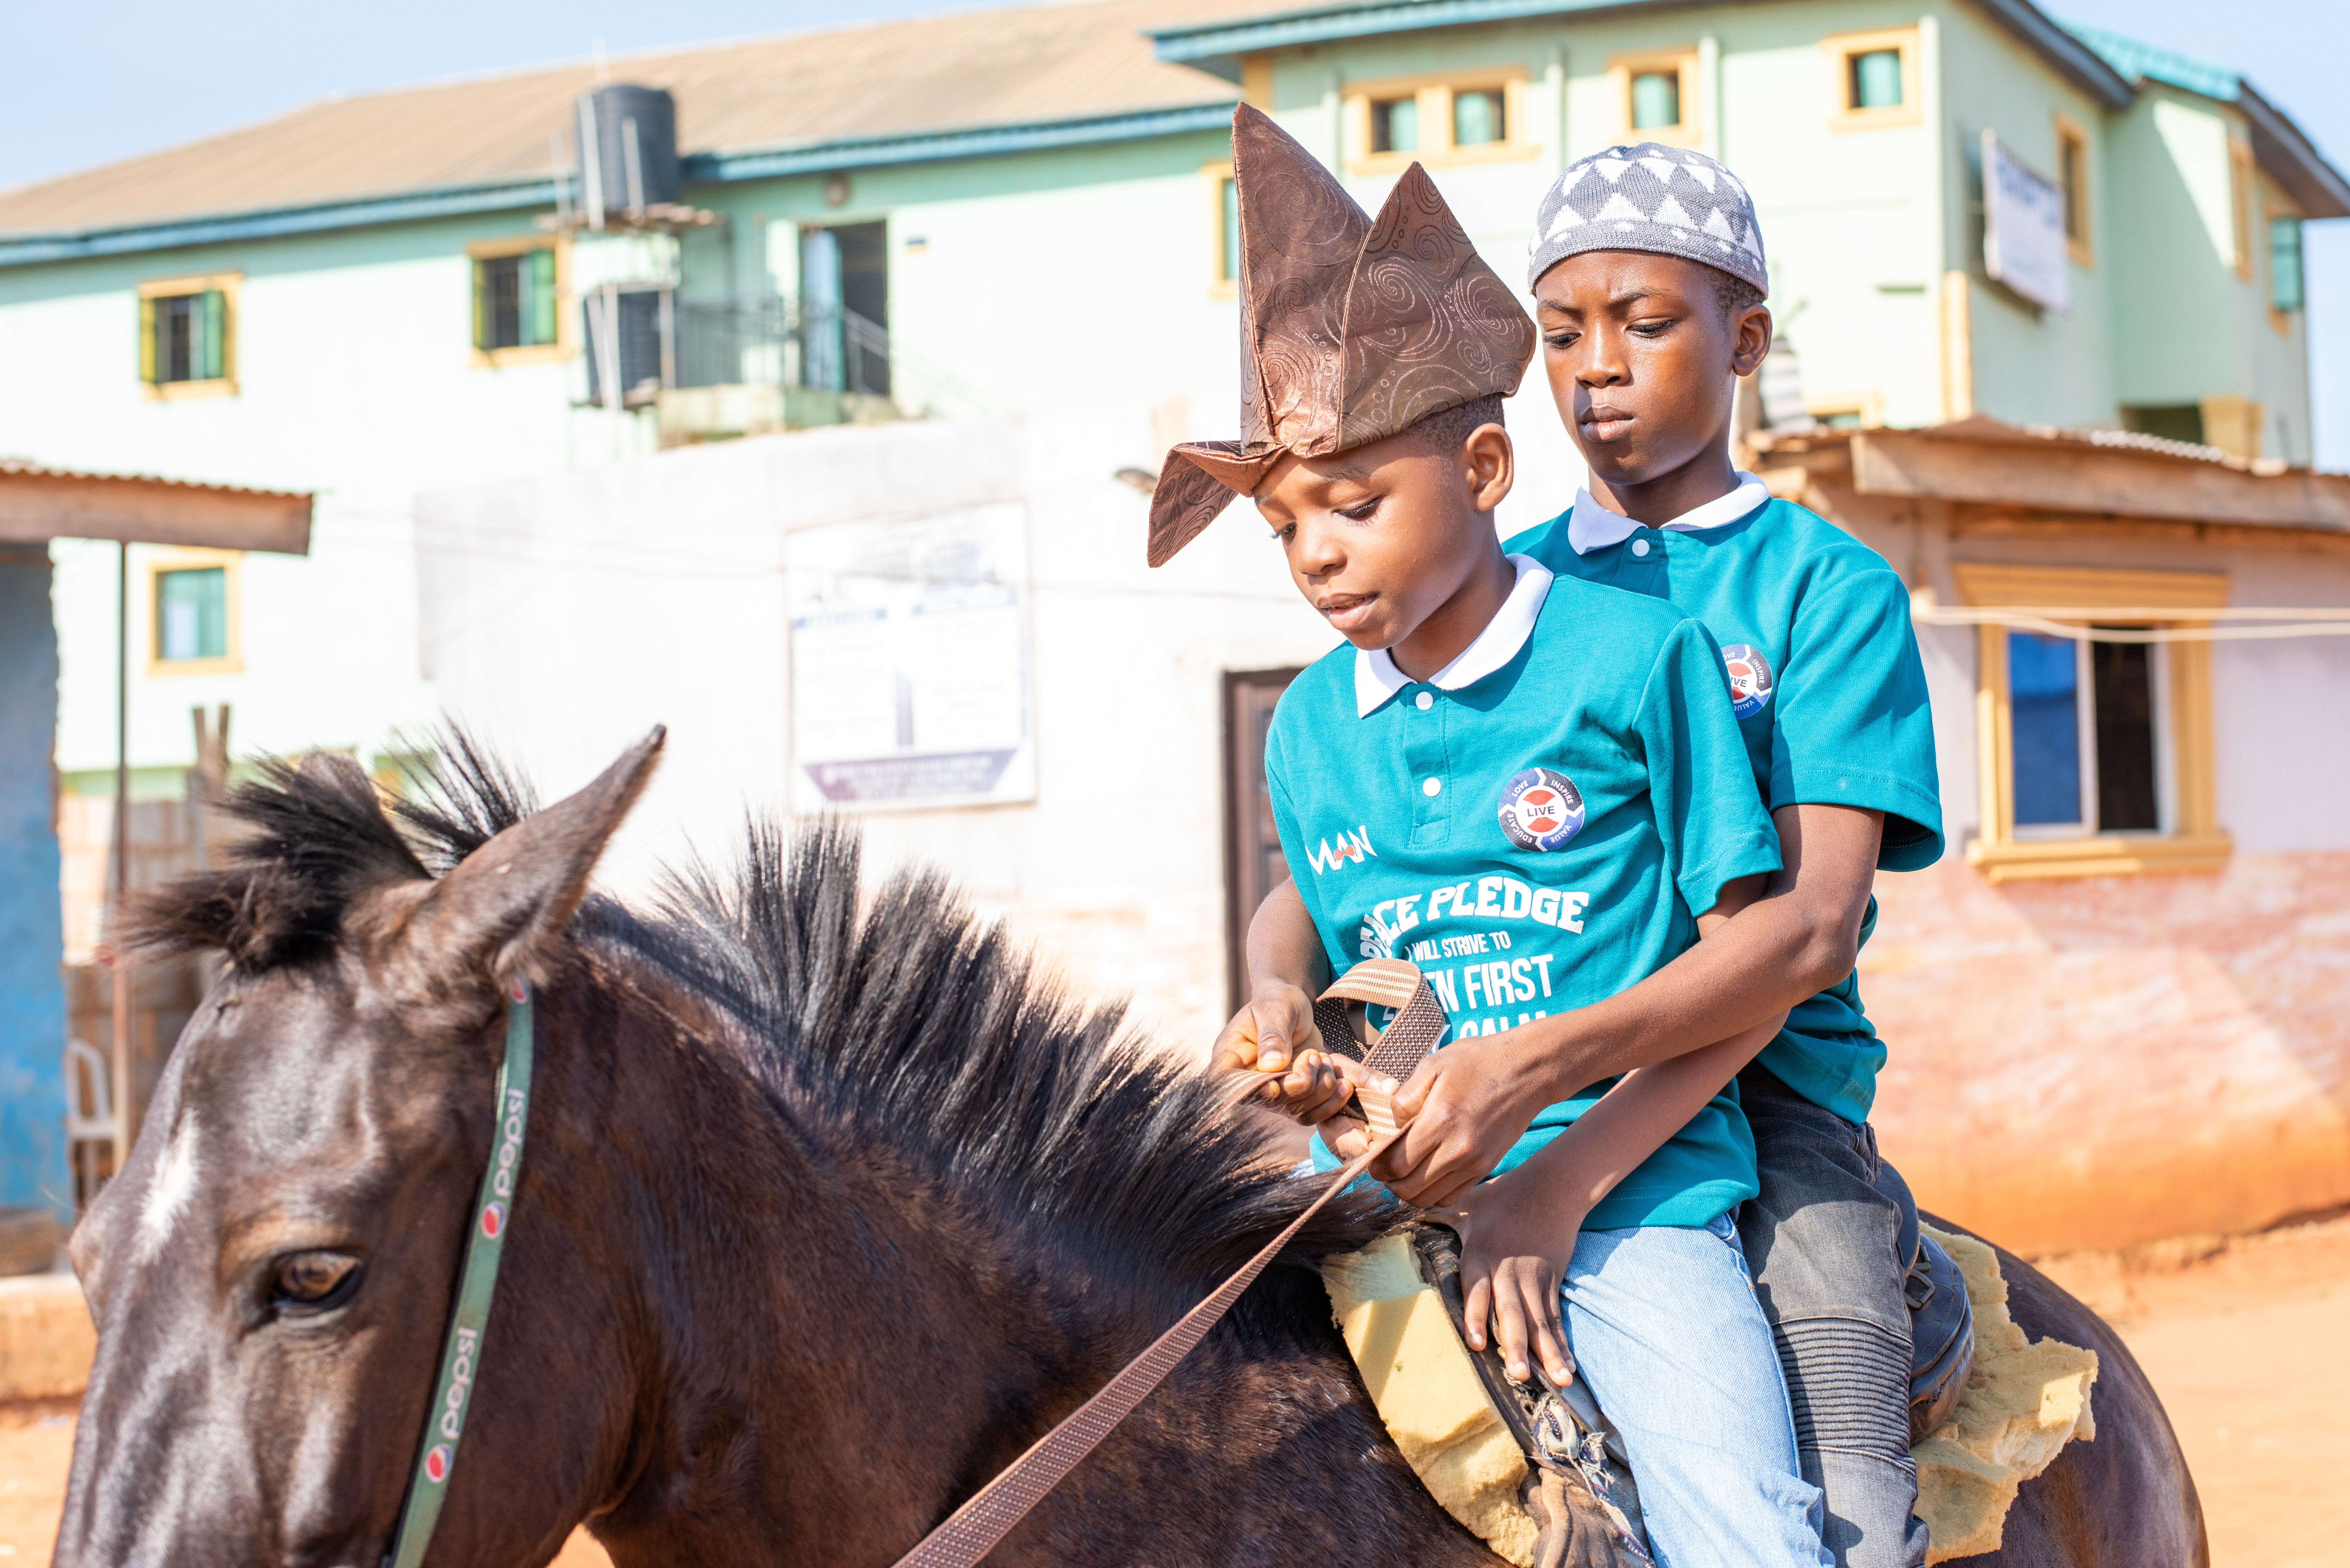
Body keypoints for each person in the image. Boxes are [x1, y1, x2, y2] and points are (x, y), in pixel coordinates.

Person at [1220, 142, 1944, 1568]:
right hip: (1465, 1093)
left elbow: (1799, 938)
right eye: (1561, 335)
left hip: (1765, 1080)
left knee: (1839, 1436)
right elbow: (1327, 880)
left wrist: (1547, 1122)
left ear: (1745, 342)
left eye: (1646, 324)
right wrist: (1276, 995)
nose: (1596, 368)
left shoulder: (1823, 588)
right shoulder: (1476, 574)